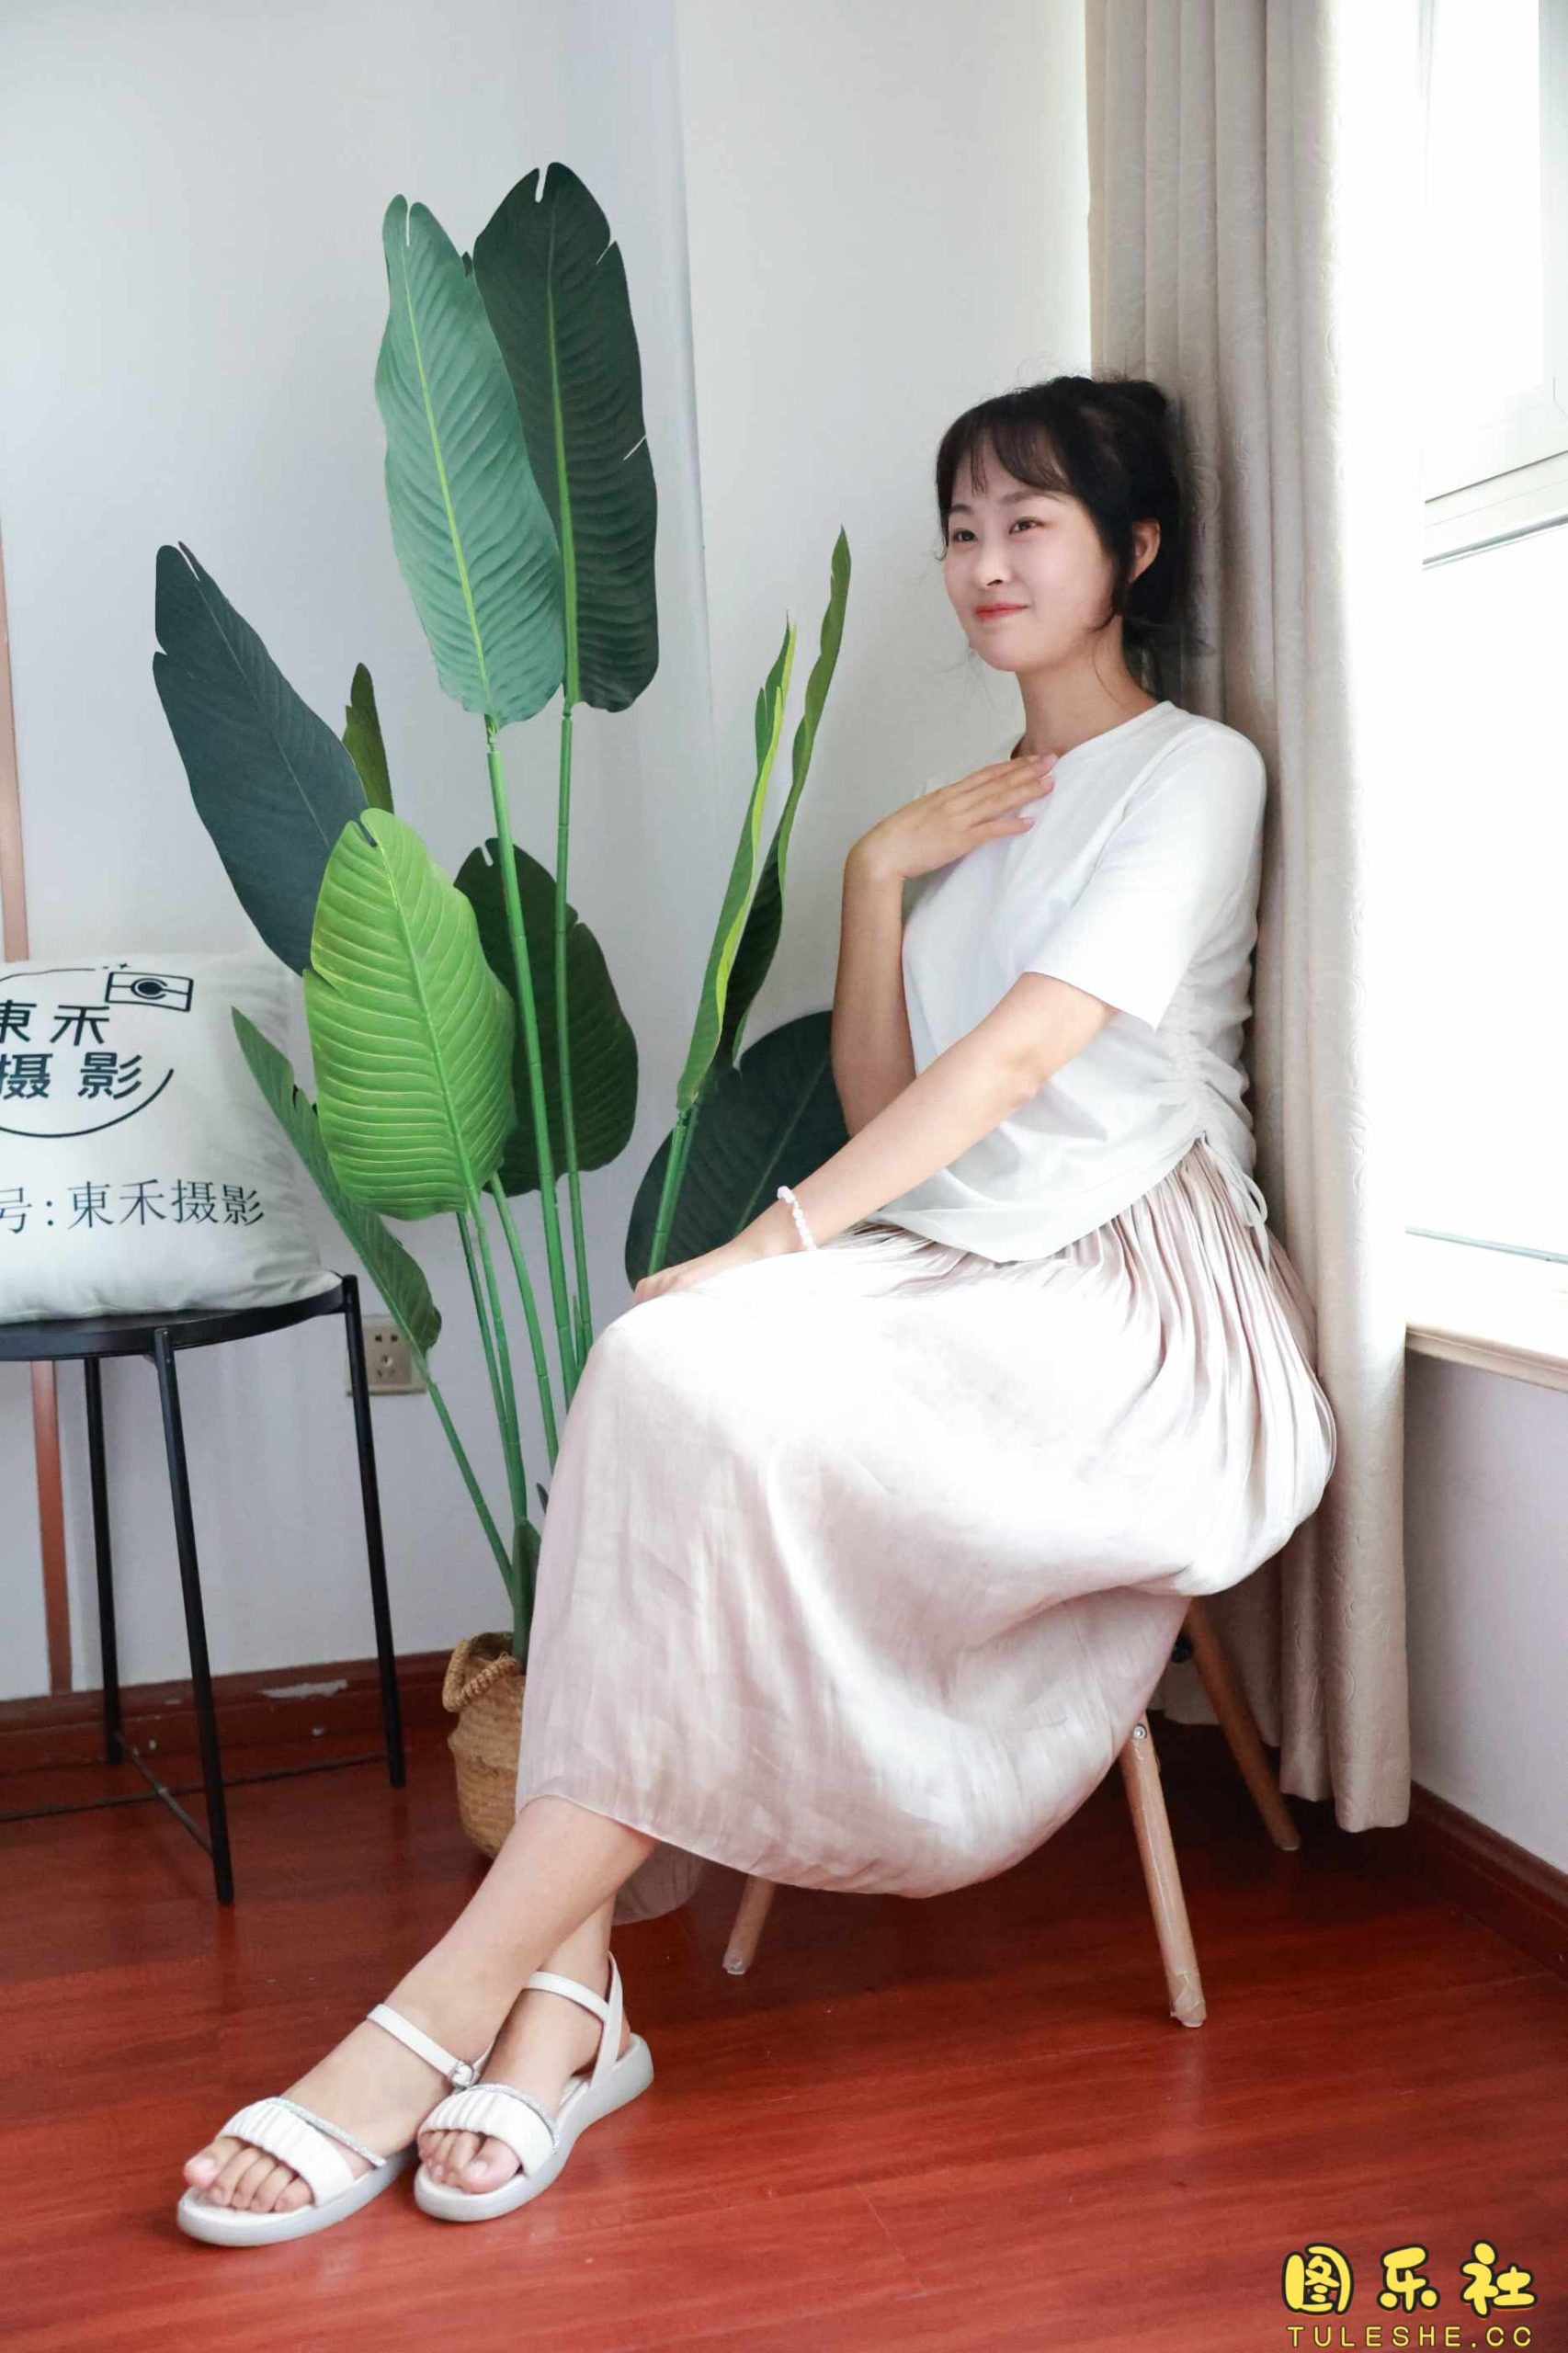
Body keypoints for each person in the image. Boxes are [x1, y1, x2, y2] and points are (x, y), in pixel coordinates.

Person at [177, 373, 1336, 2242]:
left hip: (1130, 1295)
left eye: (1028, 523)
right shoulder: (974, 811)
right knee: (656, 1366)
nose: (983, 563)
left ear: (1131, 551)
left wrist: (767, 1243)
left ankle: (460, 2014)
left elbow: (1024, 1063)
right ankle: (562, 2002)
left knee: (686, 1342)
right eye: (960, 528)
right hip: (959, 1251)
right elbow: (897, 1109)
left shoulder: (1195, 770)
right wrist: (877, 875)